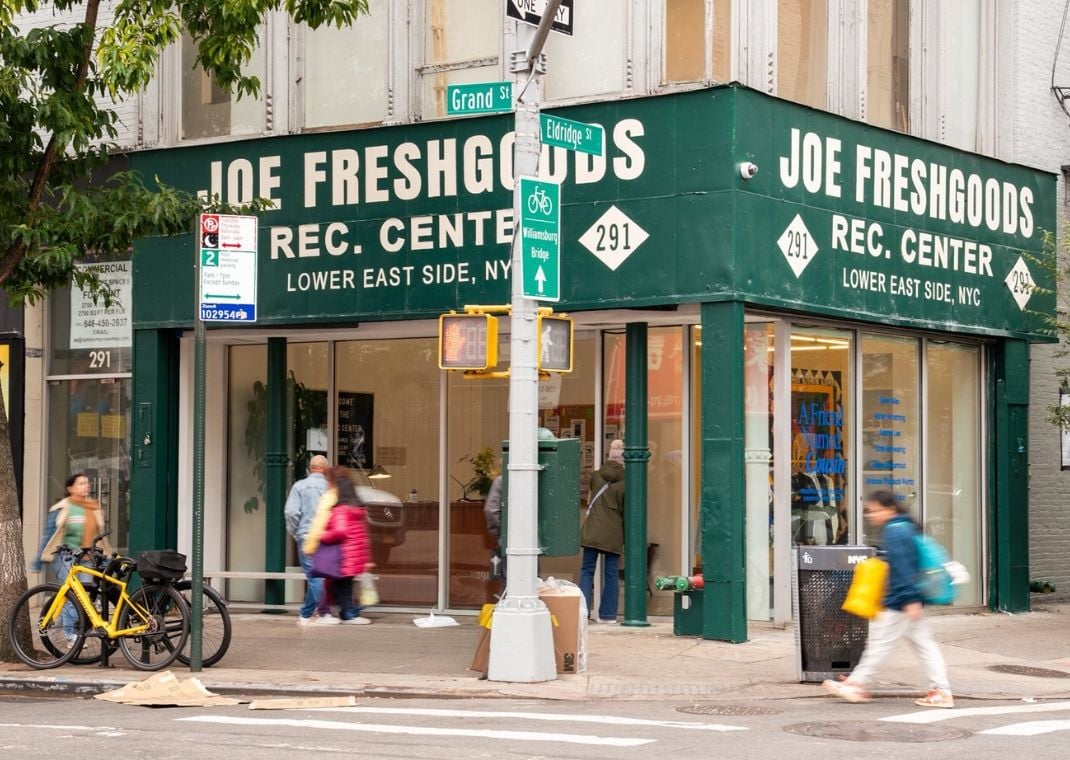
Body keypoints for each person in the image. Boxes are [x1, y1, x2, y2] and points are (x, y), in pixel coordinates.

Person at [823, 489, 954, 708]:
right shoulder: (905, 528)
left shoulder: (895, 531)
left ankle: (856, 684)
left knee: (880, 645)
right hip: (907, 599)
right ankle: (941, 691)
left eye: (875, 511)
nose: (871, 515)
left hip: (900, 601)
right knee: (923, 644)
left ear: (890, 509)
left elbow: (903, 568)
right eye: (869, 511)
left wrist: (908, 600)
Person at [39, 473, 111, 637]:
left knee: (84, 598)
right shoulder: (62, 507)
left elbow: (100, 536)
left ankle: (62, 628)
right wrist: (39, 559)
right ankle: (71, 635)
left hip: (88, 557)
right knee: (72, 597)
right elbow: (50, 534)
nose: (86, 486)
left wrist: (106, 556)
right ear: (70, 488)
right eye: (81, 483)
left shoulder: (93, 507)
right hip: (67, 557)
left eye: (87, 483)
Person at [302, 468, 372, 625]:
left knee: (332, 584)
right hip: (354, 555)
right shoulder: (358, 510)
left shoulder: (340, 509)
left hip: (343, 555)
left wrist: (321, 535)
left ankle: (330, 613)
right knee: (342, 585)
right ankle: (346, 613)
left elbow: (340, 531)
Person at [579, 439, 626, 624]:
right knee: (611, 573)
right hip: (613, 532)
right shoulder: (627, 480)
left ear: (609, 456)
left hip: (593, 529)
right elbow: (625, 509)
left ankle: (582, 613)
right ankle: (608, 615)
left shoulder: (596, 476)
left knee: (587, 570)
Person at [285, 454, 330, 625]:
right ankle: (306, 614)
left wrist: (295, 532)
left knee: (314, 576)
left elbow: (291, 512)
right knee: (317, 576)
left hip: (306, 537)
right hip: (326, 537)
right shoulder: (330, 488)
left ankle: (323, 613)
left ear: (311, 468)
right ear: (325, 469)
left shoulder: (299, 486)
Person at [483, 474, 505, 586]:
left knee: (506, 583)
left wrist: (498, 534)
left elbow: (491, 510)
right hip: (532, 544)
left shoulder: (502, 480)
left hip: (507, 541)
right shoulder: (534, 478)